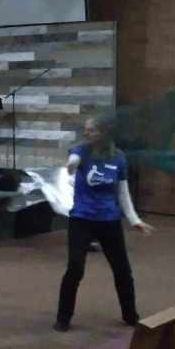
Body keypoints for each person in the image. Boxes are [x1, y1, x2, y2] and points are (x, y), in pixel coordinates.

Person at [54, 114, 154, 332]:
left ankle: (130, 315)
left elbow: (123, 192)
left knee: (122, 270)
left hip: (109, 221)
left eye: (91, 130)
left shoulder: (118, 158)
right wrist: (71, 166)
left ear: (104, 133)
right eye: (86, 129)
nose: (86, 133)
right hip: (81, 219)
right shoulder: (81, 150)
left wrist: (134, 220)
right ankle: (63, 318)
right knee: (75, 269)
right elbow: (73, 162)